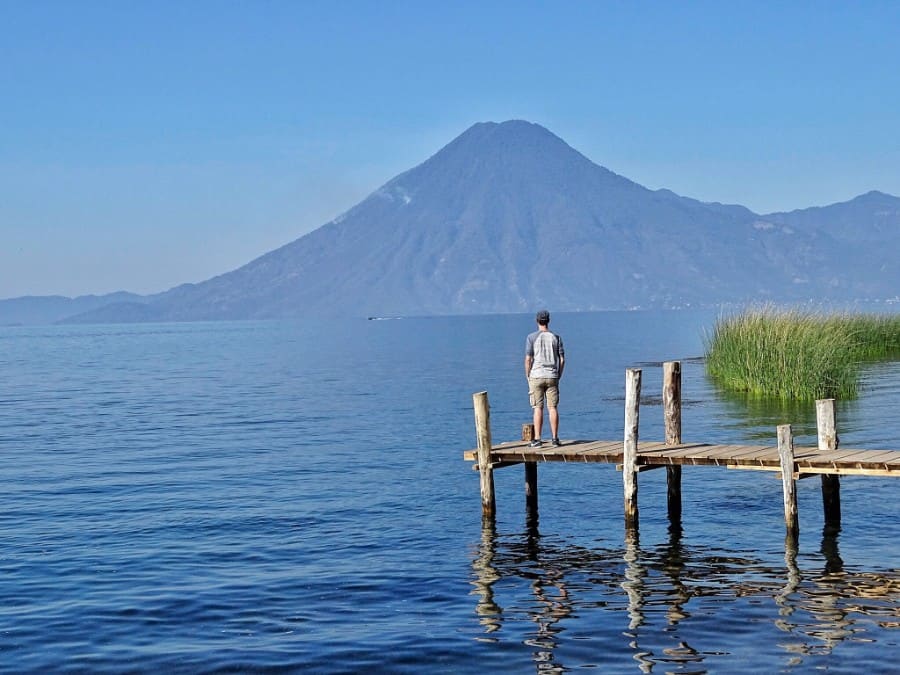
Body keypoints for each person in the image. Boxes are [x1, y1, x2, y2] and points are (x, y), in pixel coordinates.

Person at [524, 309, 565, 448]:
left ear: (537, 321)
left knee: (538, 408)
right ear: (548, 321)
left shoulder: (531, 337)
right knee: (553, 407)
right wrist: (559, 374)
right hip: (552, 375)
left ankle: (537, 439)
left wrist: (528, 375)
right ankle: (554, 438)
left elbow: (528, 359)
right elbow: (562, 359)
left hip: (536, 375)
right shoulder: (556, 337)